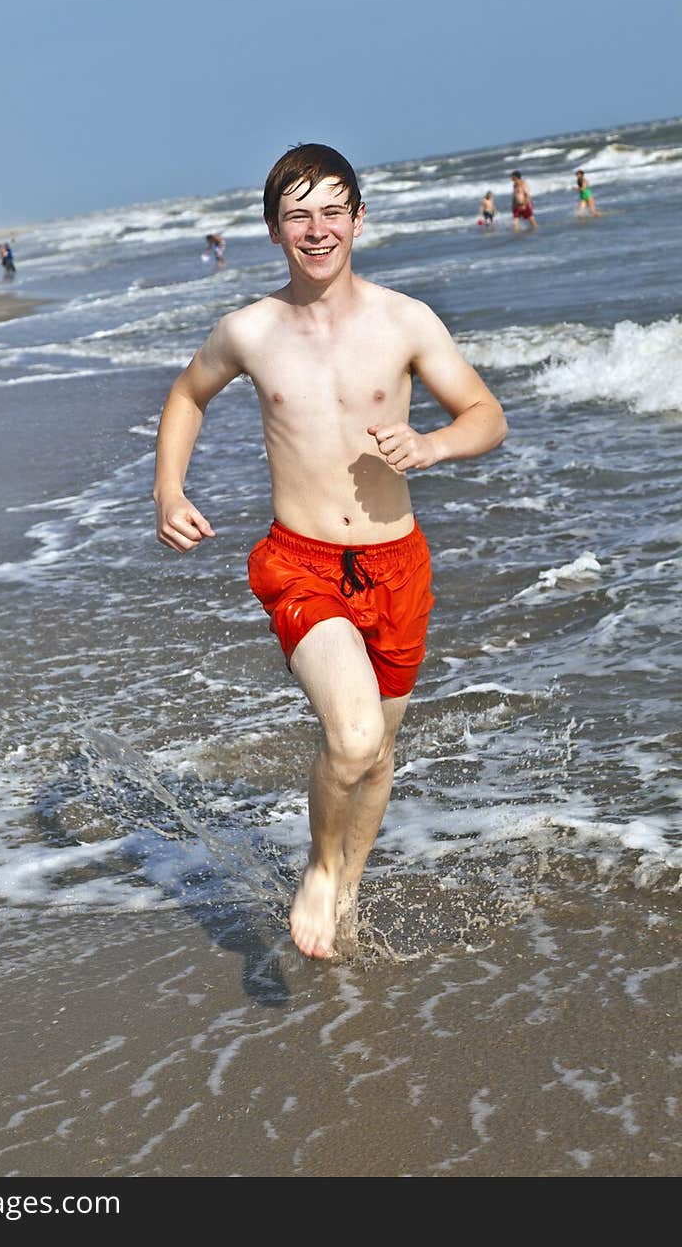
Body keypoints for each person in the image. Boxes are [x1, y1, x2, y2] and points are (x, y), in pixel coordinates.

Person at [153, 143, 507, 961]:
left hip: (397, 566)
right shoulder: (250, 331)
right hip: (300, 562)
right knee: (351, 737)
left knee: (377, 754)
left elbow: (486, 414)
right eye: (298, 214)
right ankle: (319, 868)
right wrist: (170, 493)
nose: (317, 230)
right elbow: (185, 395)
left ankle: (345, 890)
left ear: (358, 217)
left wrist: (433, 445)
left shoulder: (405, 321)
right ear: (274, 229)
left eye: (332, 211)